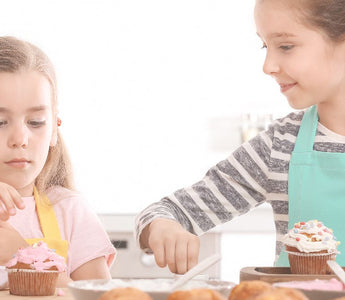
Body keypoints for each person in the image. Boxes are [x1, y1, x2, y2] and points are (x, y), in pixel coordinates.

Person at [135, 0, 345, 274]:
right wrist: (163, 228)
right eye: (264, 46)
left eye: (285, 46)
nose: (268, 66)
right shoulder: (280, 147)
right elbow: (164, 212)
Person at [0, 36, 115, 285]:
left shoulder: (70, 212)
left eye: (35, 122)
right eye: (0, 122)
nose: (20, 139)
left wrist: (24, 258)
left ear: (54, 128)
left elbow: (96, 297)